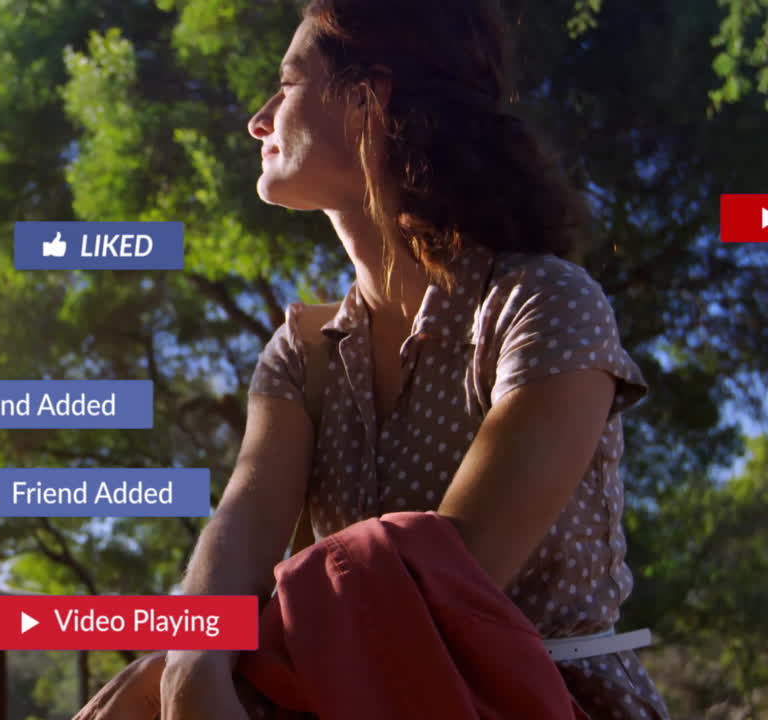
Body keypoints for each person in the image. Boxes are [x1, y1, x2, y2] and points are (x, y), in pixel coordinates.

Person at [75, 0, 671, 718]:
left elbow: (447, 584)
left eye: (288, 84)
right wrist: (186, 662)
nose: (257, 119)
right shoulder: (302, 354)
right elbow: (243, 525)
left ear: (367, 98)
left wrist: (165, 674)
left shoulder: (542, 303)